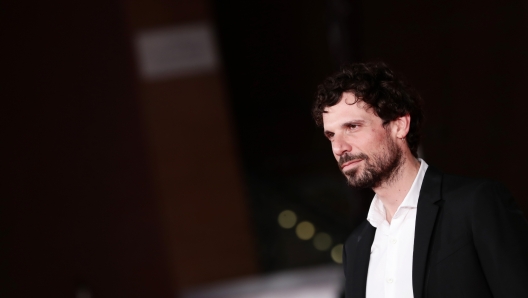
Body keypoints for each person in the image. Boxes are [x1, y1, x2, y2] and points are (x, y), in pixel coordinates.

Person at [312, 62, 528, 298]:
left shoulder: (475, 205)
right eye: (331, 135)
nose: (339, 147)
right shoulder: (356, 247)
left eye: (352, 126)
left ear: (399, 125)